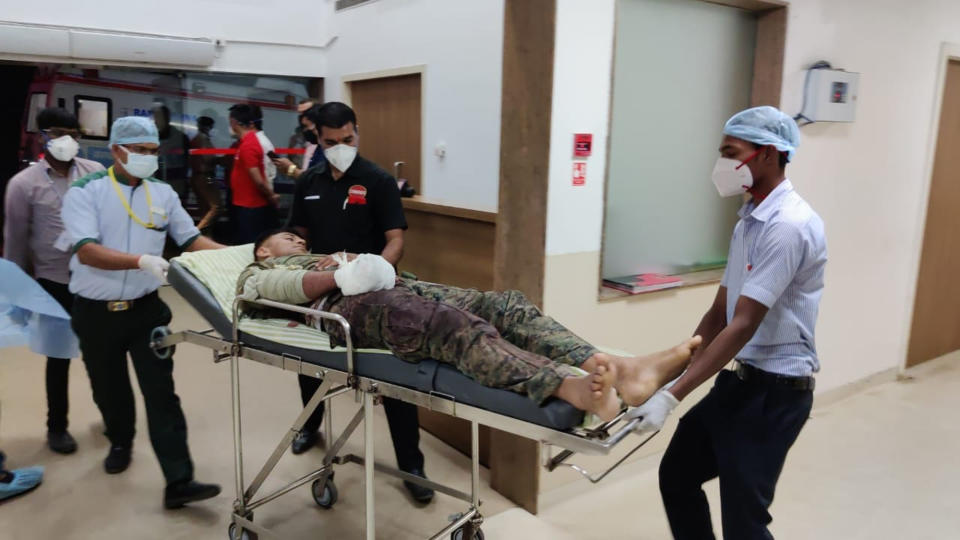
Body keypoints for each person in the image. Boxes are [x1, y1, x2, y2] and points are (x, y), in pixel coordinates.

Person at [240, 229, 702, 418]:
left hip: (394, 286)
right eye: (287, 237)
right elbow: (286, 291)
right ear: (264, 250)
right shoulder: (258, 274)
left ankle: (621, 369)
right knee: (450, 326)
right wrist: (341, 271)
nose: (297, 238)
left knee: (504, 306)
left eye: (299, 236)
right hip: (350, 309)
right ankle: (568, 387)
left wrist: (357, 264)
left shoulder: (316, 253)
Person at [628, 106, 826, 539]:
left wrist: (671, 396)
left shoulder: (788, 226)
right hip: (740, 384)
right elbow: (719, 314)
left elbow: (742, 325)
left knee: (744, 523)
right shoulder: (748, 222)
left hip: (775, 395)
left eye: (731, 152)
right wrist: (666, 372)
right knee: (678, 475)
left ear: (769, 155)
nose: (722, 165)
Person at [61, 116, 225, 509]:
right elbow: (85, 250)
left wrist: (246, 254)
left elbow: (191, 239)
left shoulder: (163, 194)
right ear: (117, 150)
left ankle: (179, 480)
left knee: (161, 393)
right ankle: (120, 440)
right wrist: (141, 261)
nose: (148, 158)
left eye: (153, 151)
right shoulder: (85, 192)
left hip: (146, 312)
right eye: (139, 151)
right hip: (96, 313)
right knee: (109, 389)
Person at [282, 101, 433, 500]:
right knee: (308, 363)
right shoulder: (308, 183)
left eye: (348, 138)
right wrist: (298, 275)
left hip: (373, 291)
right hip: (321, 289)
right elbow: (296, 237)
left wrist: (376, 273)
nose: (341, 147)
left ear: (357, 132)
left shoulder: (378, 181)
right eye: (332, 142)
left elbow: (395, 239)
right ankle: (309, 426)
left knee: (394, 376)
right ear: (318, 139)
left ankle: (412, 467)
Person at [2, 107, 105, 454]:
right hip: (52, 282)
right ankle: (56, 427)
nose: (67, 140)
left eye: (74, 133)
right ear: (41, 135)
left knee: (100, 353)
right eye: (58, 132)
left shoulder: (95, 173)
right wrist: (18, 291)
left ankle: (111, 414)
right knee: (58, 357)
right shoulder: (23, 184)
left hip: (93, 279)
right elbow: (15, 240)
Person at [228, 104, 279, 244]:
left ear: (234, 122)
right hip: (245, 203)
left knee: (251, 244)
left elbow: (259, 179)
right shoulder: (246, 142)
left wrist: (271, 195)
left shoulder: (250, 144)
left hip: (252, 206)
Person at [273, 102, 326, 180]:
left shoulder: (325, 148)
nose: (307, 131)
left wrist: (291, 169)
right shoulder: (316, 147)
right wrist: (288, 169)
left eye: (309, 127)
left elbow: (313, 180)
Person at [188, 116, 222, 231]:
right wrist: (221, 160)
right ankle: (195, 233)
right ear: (209, 127)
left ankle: (206, 237)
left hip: (197, 176)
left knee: (205, 210)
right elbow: (208, 158)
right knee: (216, 207)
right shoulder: (203, 139)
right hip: (205, 176)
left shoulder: (196, 138)